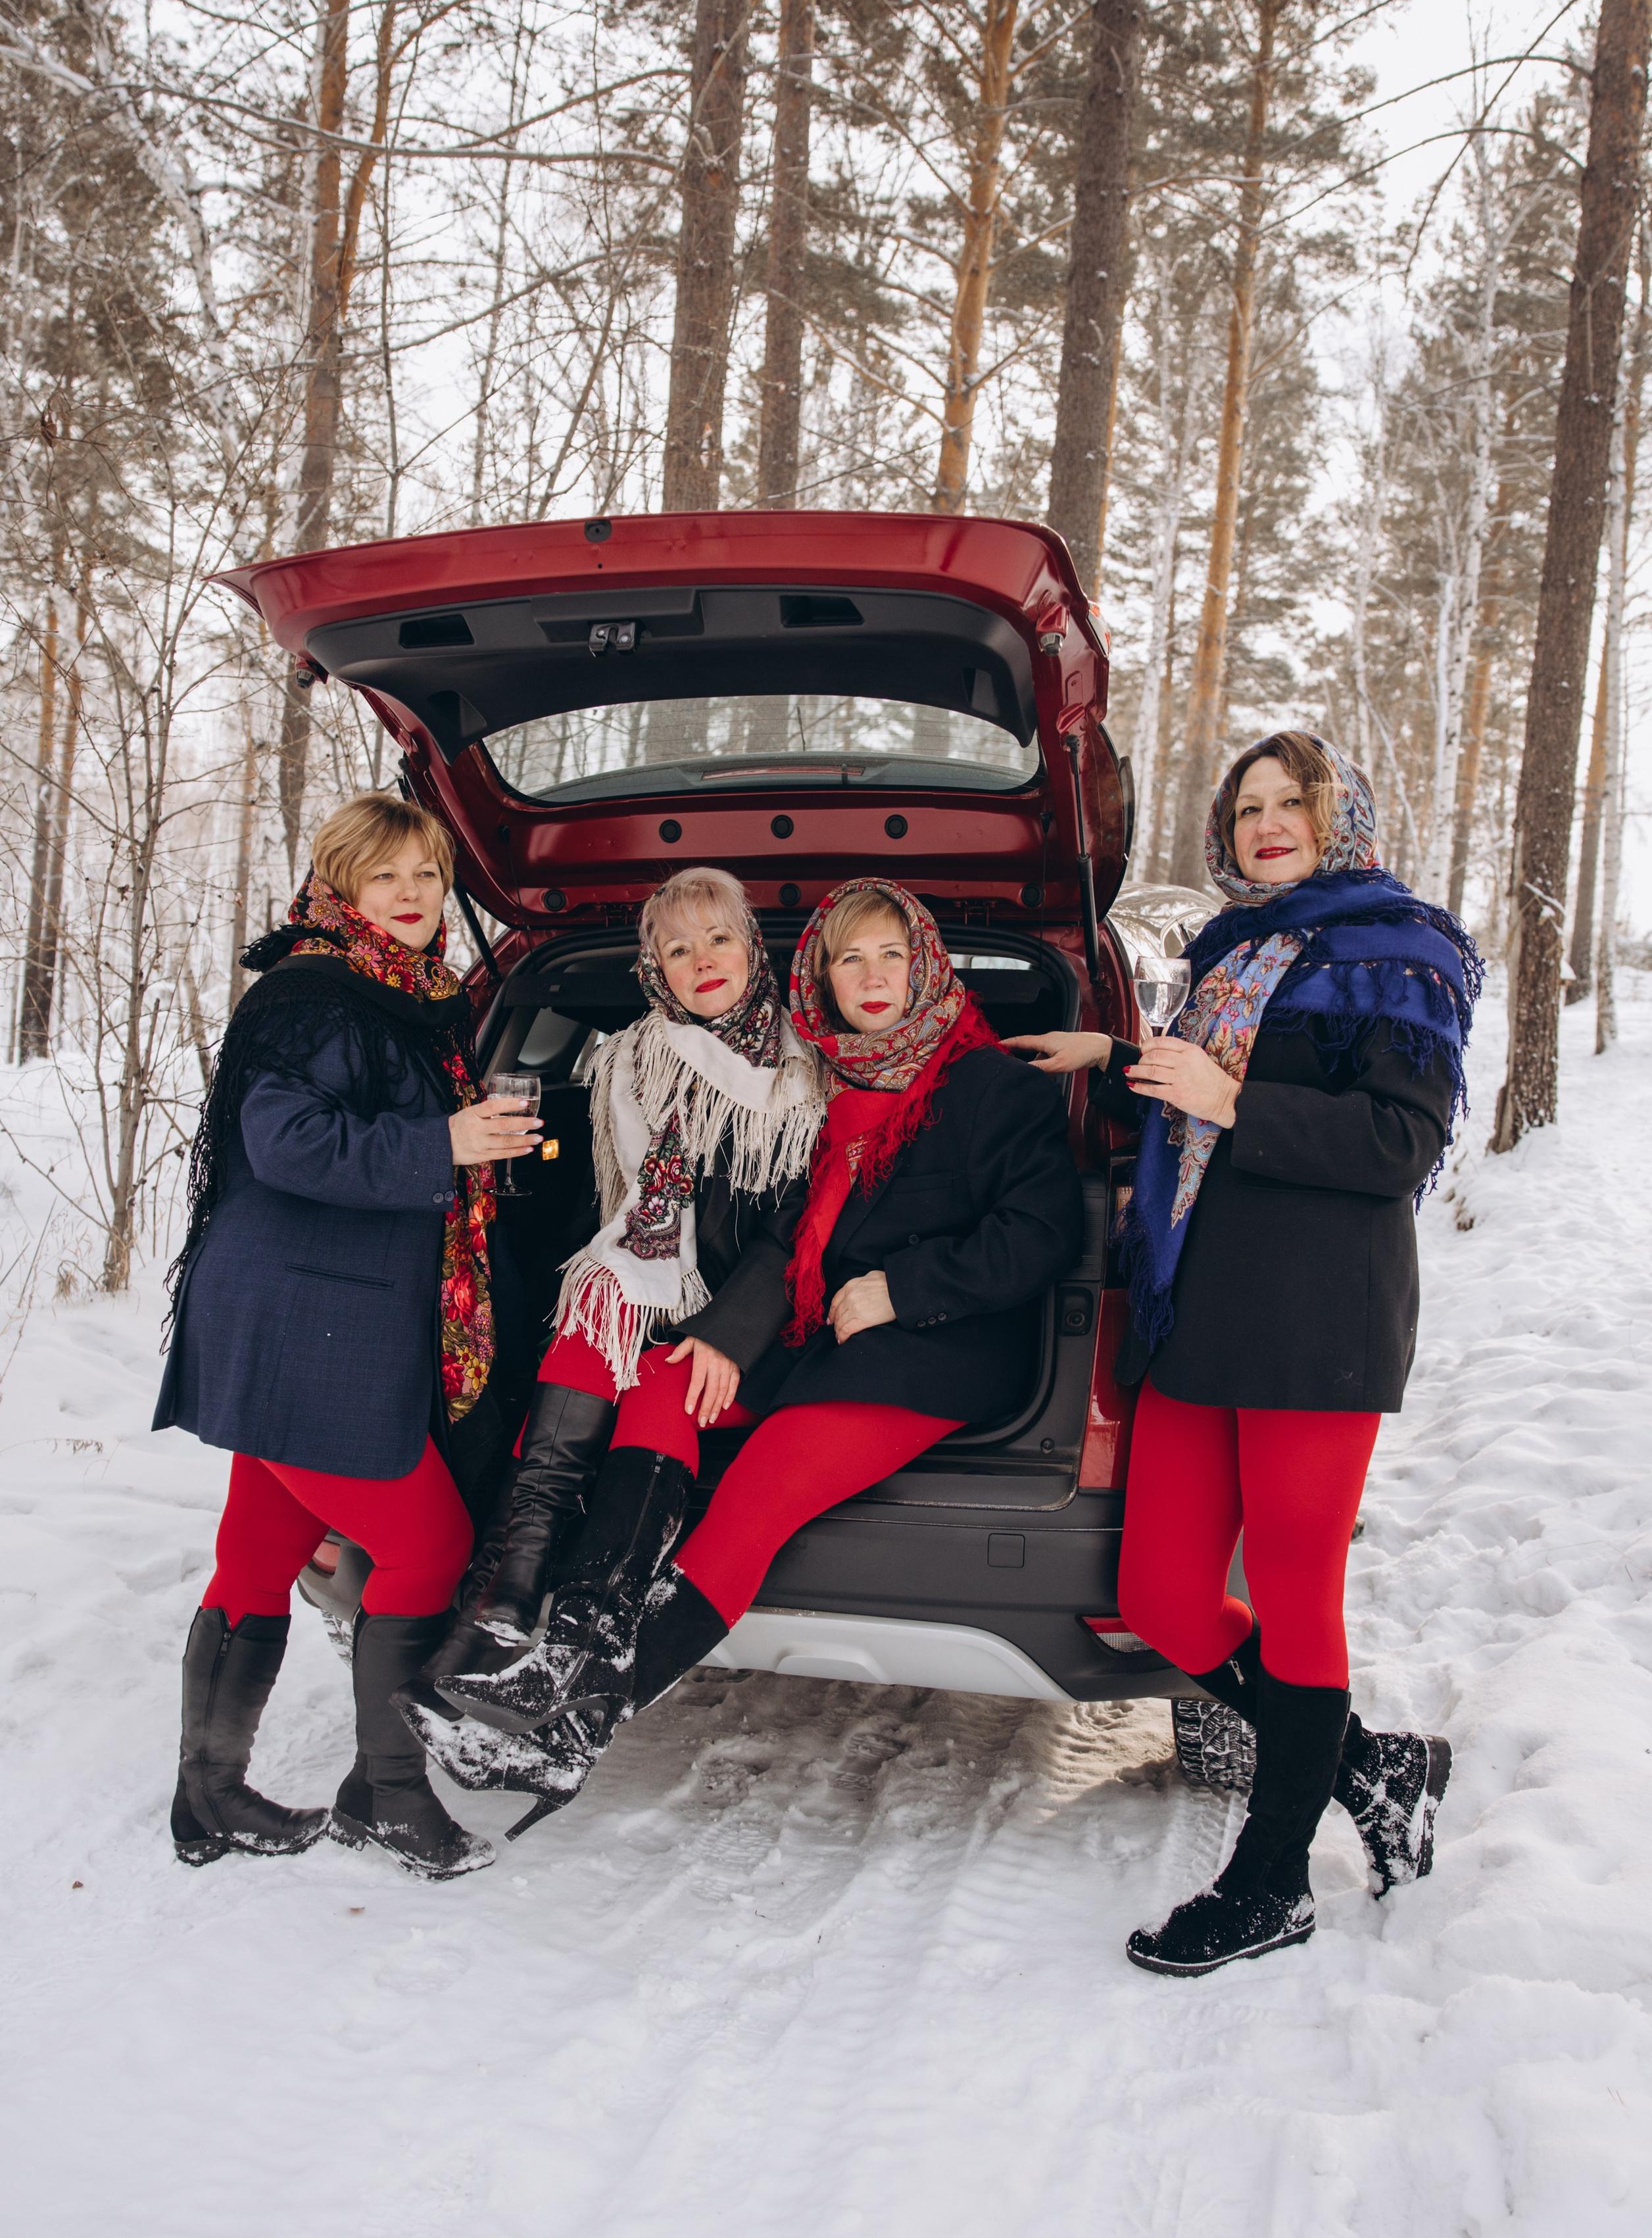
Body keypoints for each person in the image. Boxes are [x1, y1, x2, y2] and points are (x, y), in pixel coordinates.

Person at [420, 875, 1084, 1826]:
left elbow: (1043, 1233)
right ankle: (579, 1636)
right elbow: (781, 1237)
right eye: (849, 956)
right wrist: (723, 1338)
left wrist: (902, 1288)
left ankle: (579, 1725)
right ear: (819, 972)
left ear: (927, 962)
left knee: (753, 1495)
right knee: (661, 1377)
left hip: (931, 1354)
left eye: (892, 954)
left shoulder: (988, 1082)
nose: (873, 975)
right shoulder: (824, 1083)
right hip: (818, 1339)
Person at [1008, 731, 1482, 1977]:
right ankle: (1375, 1766)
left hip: (1320, 1319)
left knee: (1292, 1600)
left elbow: (1395, 1142)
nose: (1266, 823)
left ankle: (1273, 1883)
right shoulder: (1233, 952)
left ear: (1341, 816)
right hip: (1202, 1312)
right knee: (1165, 1596)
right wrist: (1123, 1062)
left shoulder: (1404, 952)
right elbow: (1194, 1098)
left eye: (1292, 803)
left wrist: (1226, 1101)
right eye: (1248, 806)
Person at [154, 791, 541, 1880]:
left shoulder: (405, 995)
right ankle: (387, 1792)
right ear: (343, 886)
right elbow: (286, 1144)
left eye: (427, 874)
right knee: (429, 1545)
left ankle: (208, 1796)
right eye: (389, 878)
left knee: (257, 1552)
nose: (415, 897)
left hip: (311, 1314)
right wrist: (444, 1142)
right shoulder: (316, 993)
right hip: (303, 1321)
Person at [403, 866, 826, 1785]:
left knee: (659, 1365)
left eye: (718, 938)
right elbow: (615, 1217)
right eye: (678, 948)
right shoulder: (629, 1062)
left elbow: (797, 1236)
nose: (701, 960)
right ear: (654, 969)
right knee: (586, 1322)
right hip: (651, 1307)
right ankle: (505, 1605)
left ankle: (588, 1628)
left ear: (755, 949)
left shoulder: (804, 1071)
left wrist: (723, 1331)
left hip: (756, 1333)